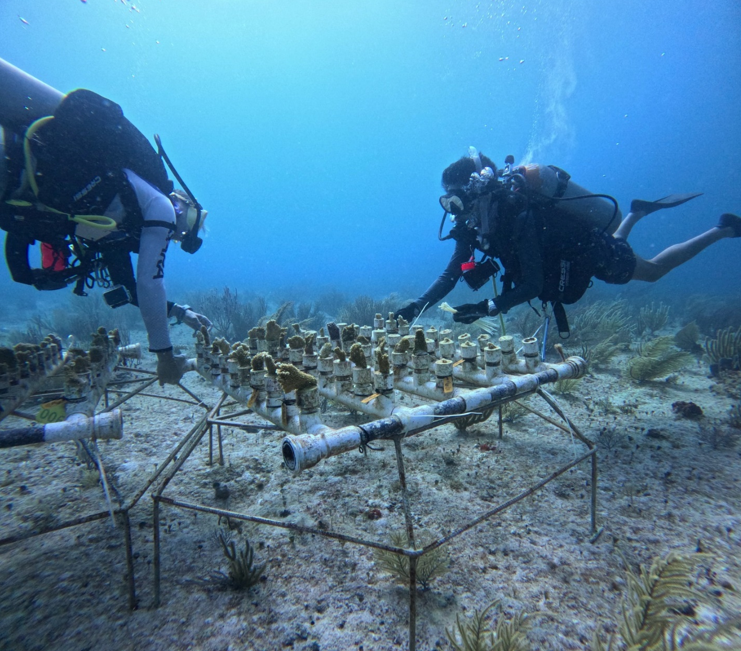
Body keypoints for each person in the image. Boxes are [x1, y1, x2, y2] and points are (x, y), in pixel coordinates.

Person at [395, 147, 741, 335]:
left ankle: (723, 229)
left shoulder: (518, 215)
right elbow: (453, 272)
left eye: (456, 200)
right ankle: (635, 213)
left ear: (477, 190)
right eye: (448, 201)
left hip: (587, 251)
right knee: (623, 247)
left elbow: (532, 284)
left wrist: (487, 307)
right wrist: (417, 306)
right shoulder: (475, 225)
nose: (454, 211)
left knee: (652, 271)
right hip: (567, 254)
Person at [0, 88, 212, 384]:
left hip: (19, 180)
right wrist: (165, 358)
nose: (177, 234)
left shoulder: (123, 224)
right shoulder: (160, 207)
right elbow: (149, 284)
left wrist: (180, 311)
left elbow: (130, 288)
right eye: (187, 226)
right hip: (19, 173)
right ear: (182, 204)